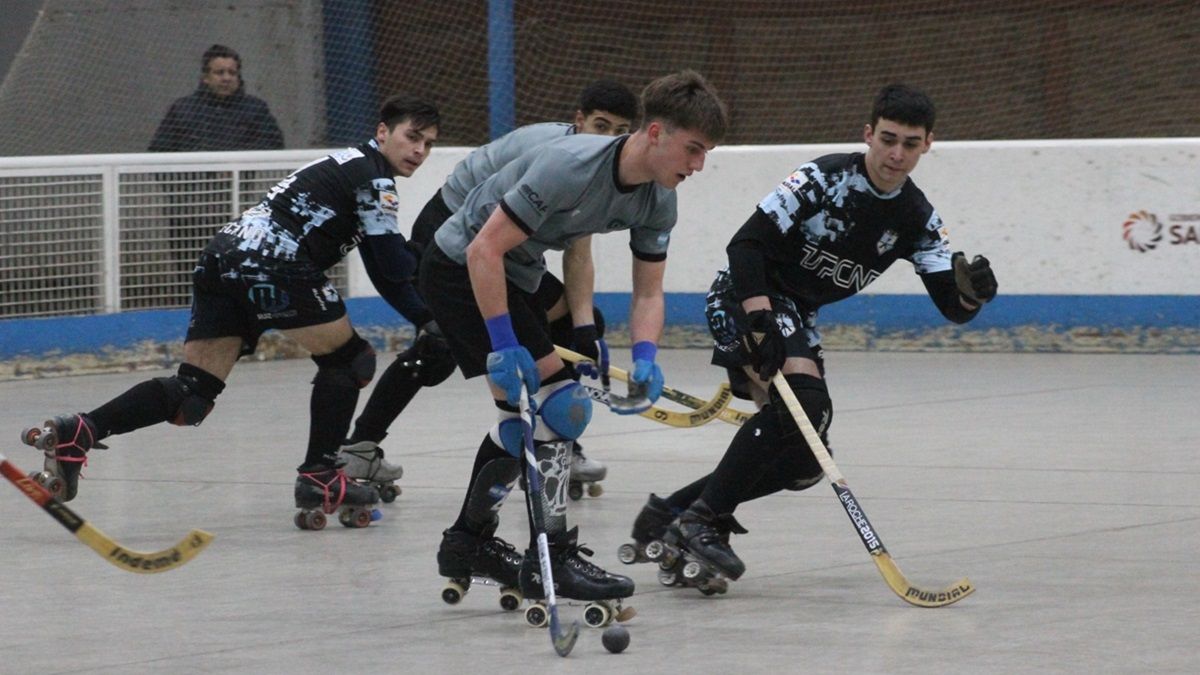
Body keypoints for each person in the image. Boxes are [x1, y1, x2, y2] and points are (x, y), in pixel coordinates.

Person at [624, 83, 999, 586]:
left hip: (797, 316)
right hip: (746, 295)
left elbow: (953, 307)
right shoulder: (824, 178)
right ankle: (702, 521)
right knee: (807, 404)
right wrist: (760, 321)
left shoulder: (917, 217)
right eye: (888, 139)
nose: (896, 154)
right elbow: (745, 245)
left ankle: (671, 513)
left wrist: (974, 294)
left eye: (910, 144)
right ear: (868, 134)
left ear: (928, 144)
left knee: (804, 460)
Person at [22, 96, 441, 530]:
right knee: (350, 360)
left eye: (428, 144)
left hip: (223, 255)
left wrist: (424, 318)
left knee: (193, 393)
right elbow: (394, 266)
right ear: (382, 132)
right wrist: (429, 283)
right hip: (273, 260)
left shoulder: (351, 166)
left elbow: (383, 267)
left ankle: (80, 430)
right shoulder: (375, 179)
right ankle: (319, 475)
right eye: (412, 137)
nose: (419, 151)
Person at [418, 70, 727, 605]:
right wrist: (503, 343)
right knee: (564, 407)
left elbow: (648, 292)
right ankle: (553, 559)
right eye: (693, 149)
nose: (699, 166)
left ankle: (467, 543)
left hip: (518, 275)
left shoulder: (659, 199)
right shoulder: (569, 165)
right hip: (458, 266)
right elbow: (482, 249)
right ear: (656, 133)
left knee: (518, 423)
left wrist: (647, 356)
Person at [341, 80, 641, 498]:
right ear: (579, 120)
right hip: (451, 232)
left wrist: (586, 328)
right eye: (600, 126)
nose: (607, 139)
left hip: (505, 251)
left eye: (619, 131)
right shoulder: (553, 153)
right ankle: (361, 447)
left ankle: (557, 441)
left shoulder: (599, 165)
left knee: (573, 322)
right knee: (439, 346)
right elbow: (486, 229)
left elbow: (578, 253)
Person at [149, 44, 284, 152]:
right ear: (206, 77)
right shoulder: (183, 109)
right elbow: (160, 150)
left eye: (232, 73)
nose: (226, 78)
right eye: (220, 73)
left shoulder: (255, 109)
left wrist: (236, 161)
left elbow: (273, 145)